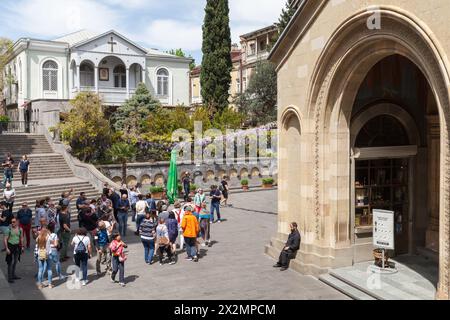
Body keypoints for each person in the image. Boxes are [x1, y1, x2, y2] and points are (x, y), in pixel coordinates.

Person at [4, 217, 23, 283]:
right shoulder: (8, 229)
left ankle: (13, 274)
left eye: (14, 222)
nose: (12, 223)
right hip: (10, 246)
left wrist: (22, 246)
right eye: (11, 222)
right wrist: (6, 248)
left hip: (17, 247)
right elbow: (5, 239)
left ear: (17, 222)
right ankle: (10, 277)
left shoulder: (20, 229)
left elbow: (21, 238)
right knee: (10, 262)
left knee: (15, 261)